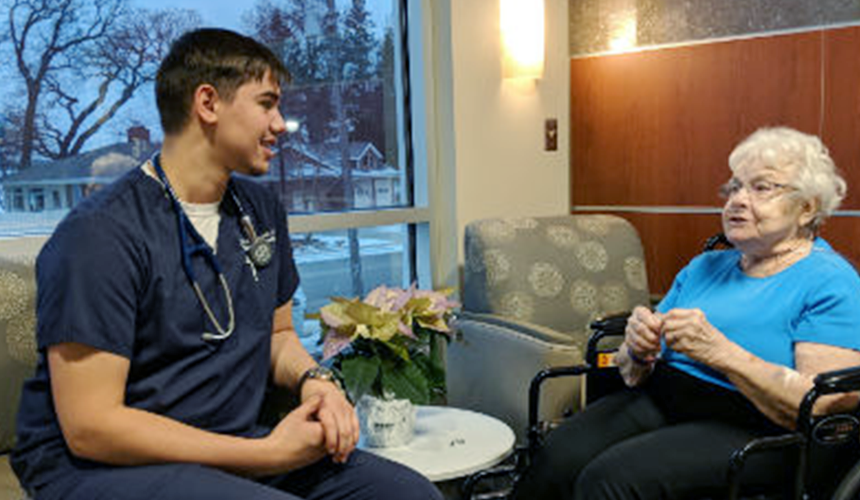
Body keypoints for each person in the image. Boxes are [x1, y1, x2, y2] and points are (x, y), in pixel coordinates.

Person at [11, 28, 442, 500]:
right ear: (208, 103)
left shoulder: (259, 211)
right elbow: (91, 427)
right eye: (266, 104)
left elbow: (278, 336)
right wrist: (269, 454)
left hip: (227, 440)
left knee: (409, 495)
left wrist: (316, 382)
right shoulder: (99, 234)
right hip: (98, 466)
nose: (280, 123)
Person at [512, 126, 860, 500]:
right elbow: (633, 370)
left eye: (761, 188)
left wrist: (721, 353)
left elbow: (825, 404)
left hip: (756, 425)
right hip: (664, 397)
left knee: (610, 480)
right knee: (559, 455)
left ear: (807, 207)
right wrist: (637, 347)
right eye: (734, 187)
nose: (738, 200)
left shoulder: (829, 280)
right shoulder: (705, 265)